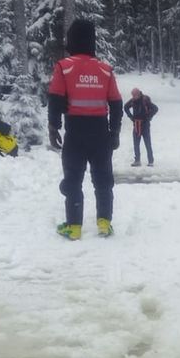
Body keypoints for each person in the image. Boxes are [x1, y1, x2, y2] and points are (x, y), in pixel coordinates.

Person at [48, 18, 123, 240]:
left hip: (75, 132)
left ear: (71, 40)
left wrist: (54, 127)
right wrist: (114, 132)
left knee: (73, 178)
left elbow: (55, 99)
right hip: (100, 133)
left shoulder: (64, 67)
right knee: (103, 179)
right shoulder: (105, 69)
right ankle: (104, 223)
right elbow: (116, 103)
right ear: (92, 41)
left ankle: (74, 227)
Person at [124, 87, 158, 167]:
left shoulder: (145, 100)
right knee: (136, 143)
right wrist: (131, 117)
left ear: (139, 94)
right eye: (132, 95)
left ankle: (150, 161)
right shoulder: (132, 101)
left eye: (135, 95)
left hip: (145, 125)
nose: (133, 97)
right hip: (136, 125)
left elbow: (155, 109)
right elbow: (125, 107)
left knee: (147, 143)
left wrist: (148, 117)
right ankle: (137, 160)